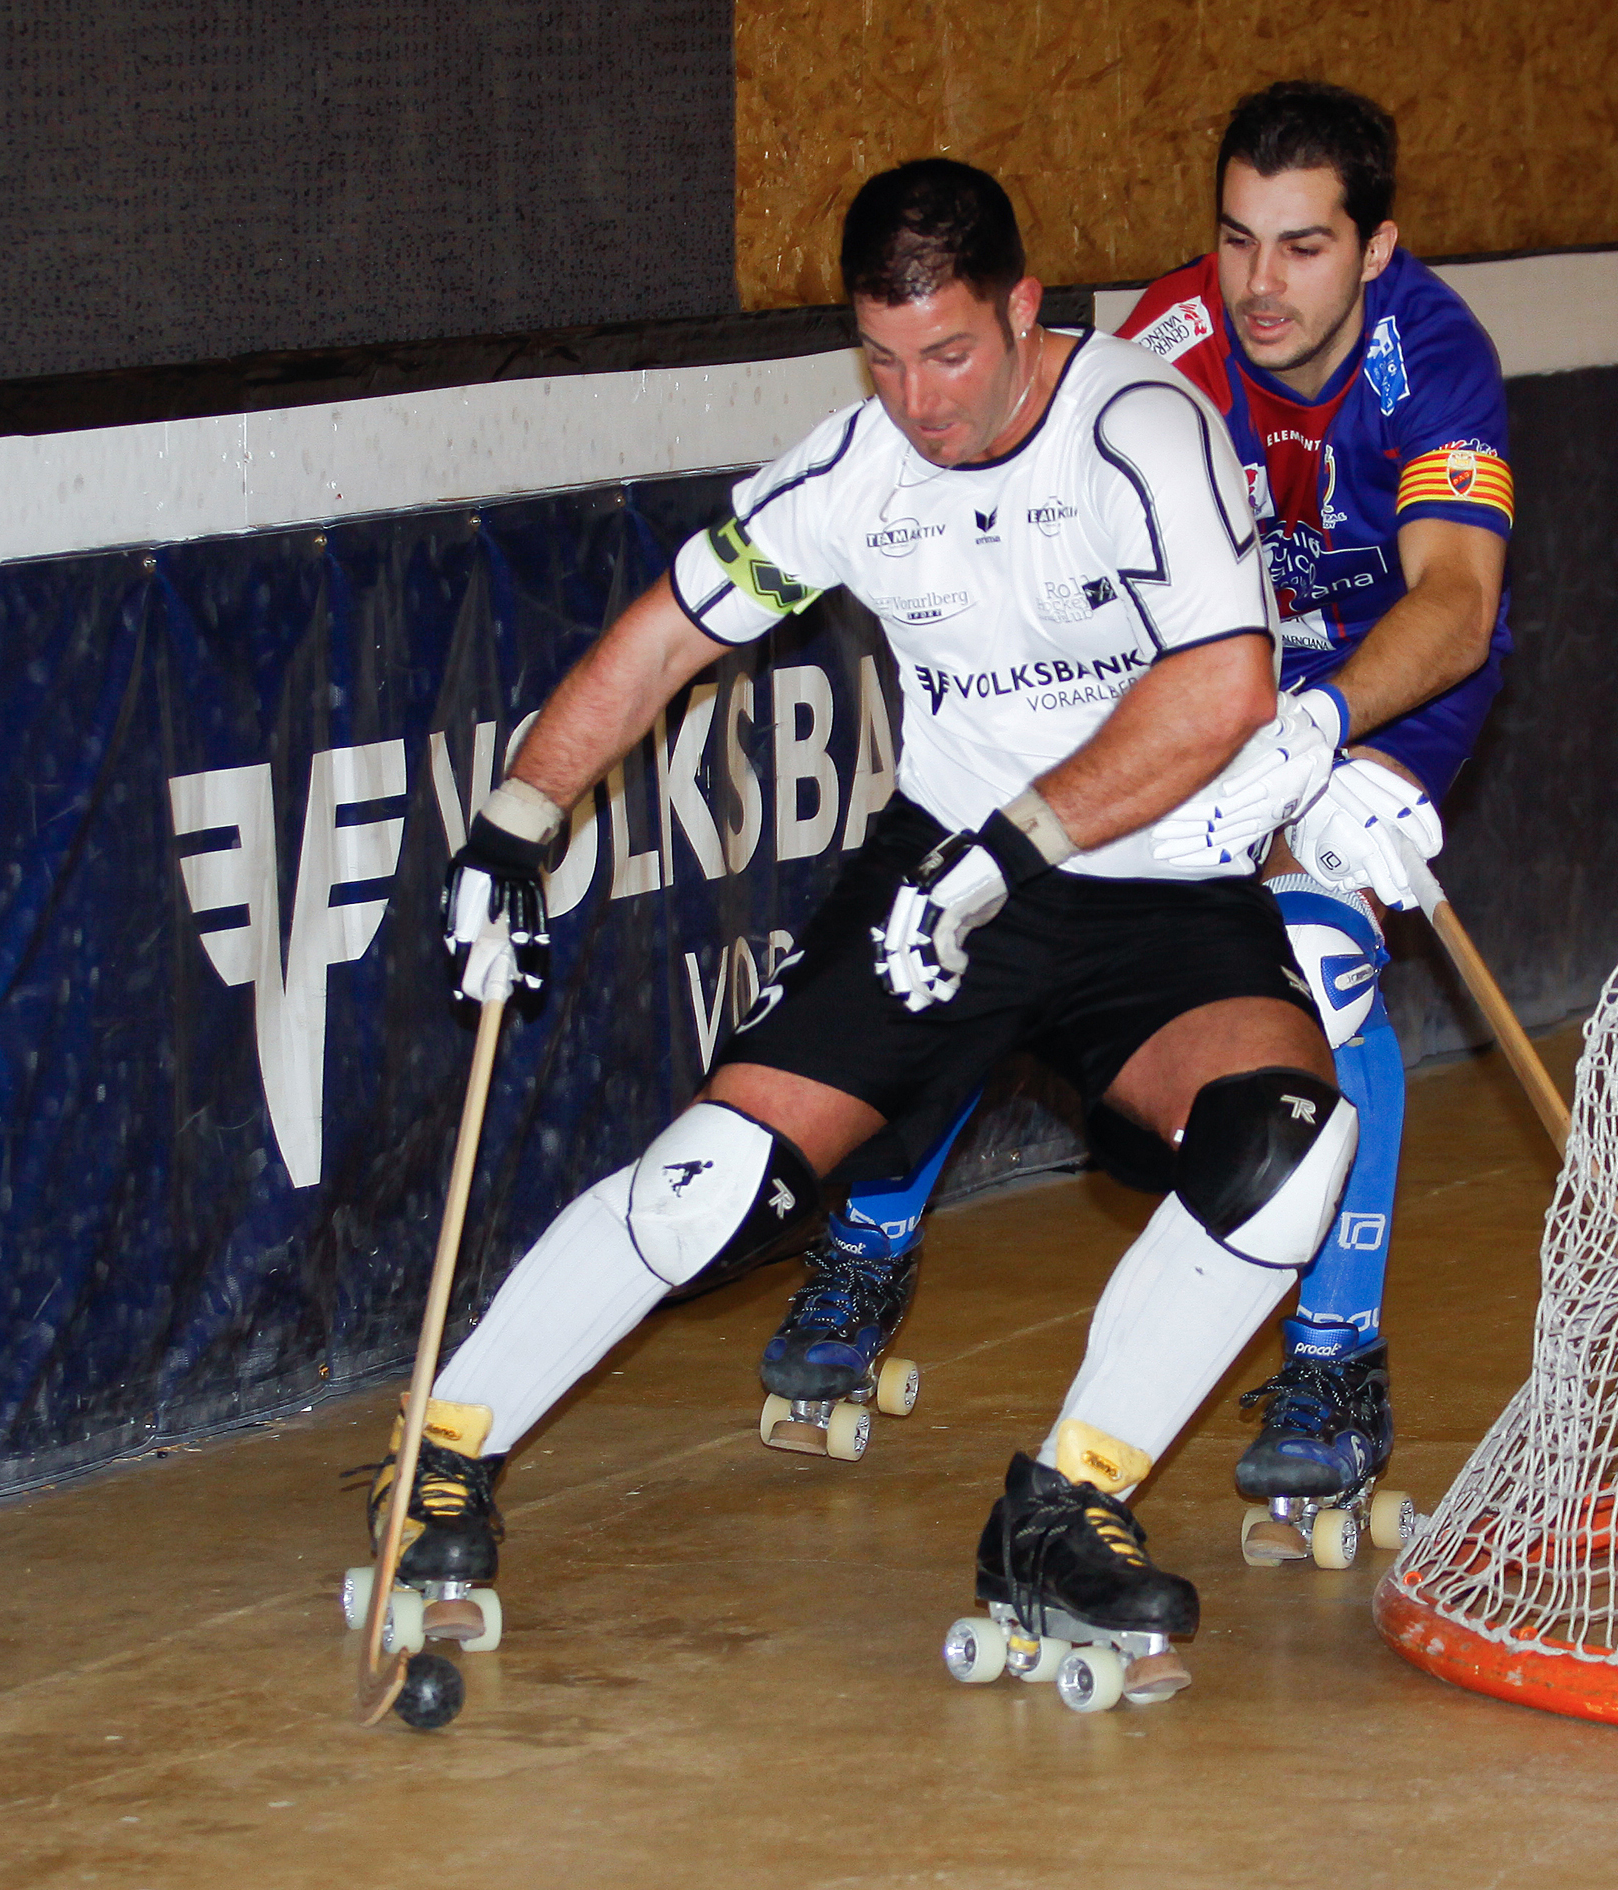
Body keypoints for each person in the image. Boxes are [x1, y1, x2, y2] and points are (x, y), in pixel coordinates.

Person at [374, 158, 1358, 1696]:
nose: (920, 401)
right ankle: (443, 1446)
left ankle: (1063, 1508)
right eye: (884, 360)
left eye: (950, 353)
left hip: (1152, 880)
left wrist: (1015, 850)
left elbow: (1223, 685)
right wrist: (516, 817)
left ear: (1025, 309)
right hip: (941, 878)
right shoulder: (854, 473)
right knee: (712, 1192)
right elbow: (666, 637)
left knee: (1286, 1147)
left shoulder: (1139, 428)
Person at [767, 82, 1511, 1541]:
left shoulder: (1433, 360)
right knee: (1005, 906)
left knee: (1321, 972)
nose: (1259, 284)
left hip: (1371, 696)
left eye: (1304, 247)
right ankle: (868, 1238)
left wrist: (1319, 732)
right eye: (1237, 239)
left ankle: (1334, 1363)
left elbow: (1458, 604)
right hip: (1195, 678)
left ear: (1377, 247)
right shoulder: (1167, 340)